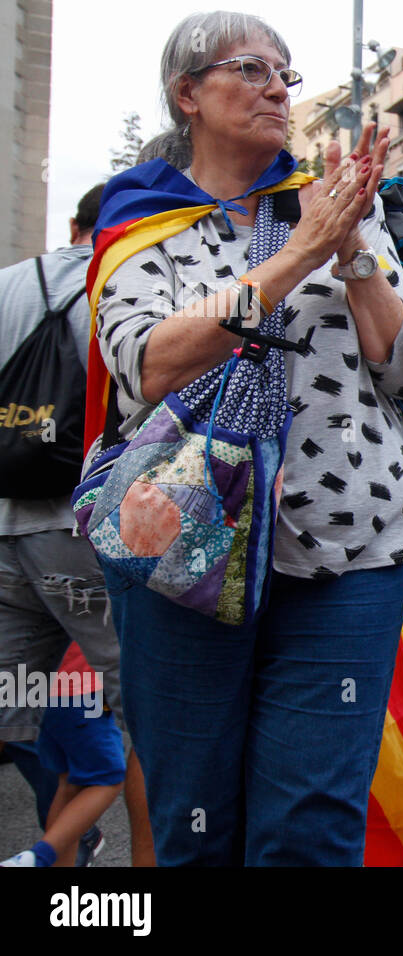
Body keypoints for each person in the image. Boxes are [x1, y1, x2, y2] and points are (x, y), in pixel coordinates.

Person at [88, 12, 403, 866]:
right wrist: (295, 255)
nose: (278, 87)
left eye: (284, 71)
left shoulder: (335, 205)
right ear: (188, 96)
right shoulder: (145, 221)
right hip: (183, 545)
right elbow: (148, 364)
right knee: (195, 822)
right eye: (249, 68)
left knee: (309, 827)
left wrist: (349, 246)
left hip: (350, 539)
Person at [0, 182, 154, 865]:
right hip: (83, 529)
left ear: (72, 223)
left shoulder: (8, 286)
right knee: (151, 719)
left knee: (18, 714)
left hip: (6, 529)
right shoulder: (131, 283)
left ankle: (61, 856)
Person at [1, 643, 125, 866]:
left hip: (39, 686)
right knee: (107, 778)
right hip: (78, 685)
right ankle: (37, 858)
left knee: (68, 783)